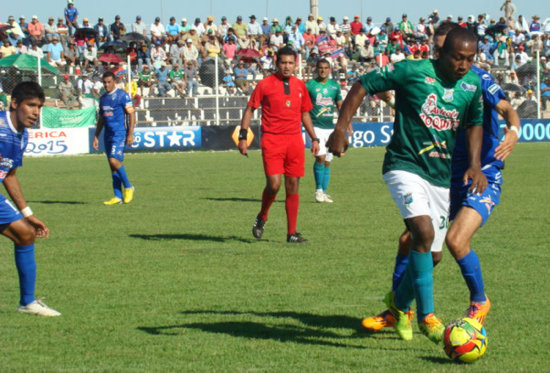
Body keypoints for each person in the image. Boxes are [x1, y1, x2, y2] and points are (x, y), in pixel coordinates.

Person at [326, 27, 487, 344]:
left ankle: (399, 305)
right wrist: (342, 127)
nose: (464, 65)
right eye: (458, 57)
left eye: (470, 59)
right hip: (404, 164)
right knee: (423, 233)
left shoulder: (473, 84)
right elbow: (363, 84)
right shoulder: (412, 71)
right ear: (440, 53)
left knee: (433, 256)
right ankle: (427, 317)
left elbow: (474, 123)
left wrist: (475, 163)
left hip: (440, 177)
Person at [361, 22, 521, 337]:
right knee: (414, 242)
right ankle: (399, 309)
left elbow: (505, 108)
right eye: (440, 51)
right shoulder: (430, 76)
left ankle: (479, 301)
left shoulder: (477, 80)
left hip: (481, 174)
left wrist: (513, 132)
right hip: (445, 174)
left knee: (455, 240)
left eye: (452, 52)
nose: (449, 60)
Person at [238, 47, 320, 243]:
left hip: (294, 141)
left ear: (295, 64)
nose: (287, 66)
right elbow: (250, 110)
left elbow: (305, 114)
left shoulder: (300, 85)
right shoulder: (265, 84)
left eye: (291, 63)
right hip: (272, 140)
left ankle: (291, 233)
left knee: (293, 186)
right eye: (283, 62)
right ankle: (263, 215)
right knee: (274, 185)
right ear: (277, 63)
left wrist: (314, 138)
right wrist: (243, 136)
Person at [0, 82, 61, 316]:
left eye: (40, 107)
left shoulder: (22, 136)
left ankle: (27, 302)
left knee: (25, 233)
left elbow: (10, 175)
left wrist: (29, 214)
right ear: (15, 104)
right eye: (31, 105)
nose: (36, 112)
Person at [92, 72, 136, 205]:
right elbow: (101, 119)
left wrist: (130, 133)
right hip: (107, 134)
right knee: (112, 166)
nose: (106, 85)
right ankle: (118, 196)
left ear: (114, 81)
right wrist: (96, 136)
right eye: (104, 82)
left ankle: (128, 186)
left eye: (109, 82)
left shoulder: (122, 95)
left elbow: (131, 114)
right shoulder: (103, 98)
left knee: (113, 160)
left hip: (119, 134)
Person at [306, 59, 345, 203]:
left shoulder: (334, 86)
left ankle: (324, 192)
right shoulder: (310, 85)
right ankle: (318, 190)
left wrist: (346, 123)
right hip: (315, 126)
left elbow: (340, 105)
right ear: (317, 69)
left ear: (330, 70)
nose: (323, 70)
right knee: (320, 158)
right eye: (320, 68)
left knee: (328, 160)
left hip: (330, 128)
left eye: (325, 68)